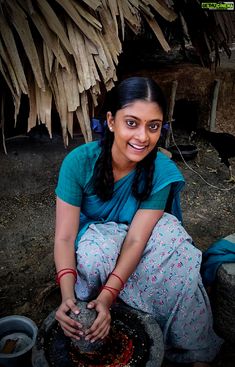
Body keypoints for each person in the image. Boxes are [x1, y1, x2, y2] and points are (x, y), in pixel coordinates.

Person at [54, 76, 222, 366]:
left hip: (138, 243)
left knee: (173, 241)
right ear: (110, 121)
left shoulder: (161, 170)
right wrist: (67, 298)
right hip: (98, 248)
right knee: (94, 254)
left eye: (153, 126)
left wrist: (107, 297)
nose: (143, 137)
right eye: (132, 123)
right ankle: (95, 303)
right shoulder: (78, 163)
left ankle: (189, 345)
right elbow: (65, 238)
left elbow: (135, 239)